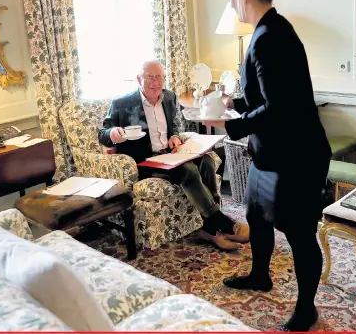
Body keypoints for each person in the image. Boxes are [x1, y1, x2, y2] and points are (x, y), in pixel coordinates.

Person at [203, 0, 332, 332]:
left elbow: (280, 108)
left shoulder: (269, 38)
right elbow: (268, 93)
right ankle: (261, 275)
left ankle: (306, 309)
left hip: (297, 158)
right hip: (272, 153)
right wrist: (236, 101)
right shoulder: (268, 30)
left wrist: (234, 125)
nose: (231, 2)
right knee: (257, 216)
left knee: (300, 234)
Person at [98, 60, 250, 250]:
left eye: (159, 77)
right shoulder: (121, 103)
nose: (155, 82)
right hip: (146, 161)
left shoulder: (170, 97)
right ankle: (223, 223)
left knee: (207, 162)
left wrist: (176, 137)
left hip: (170, 155)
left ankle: (210, 229)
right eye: (150, 78)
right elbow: (102, 134)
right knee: (188, 170)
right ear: (138, 79)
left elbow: (178, 125)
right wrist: (113, 135)